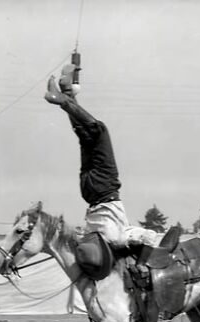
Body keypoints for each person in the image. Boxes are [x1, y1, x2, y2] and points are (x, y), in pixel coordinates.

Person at [43, 64, 157, 253]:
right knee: (86, 136)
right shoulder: (105, 236)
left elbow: (139, 236)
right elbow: (127, 237)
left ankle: (65, 98)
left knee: (97, 131)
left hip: (104, 192)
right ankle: (67, 94)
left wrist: (142, 235)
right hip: (93, 193)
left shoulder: (114, 235)